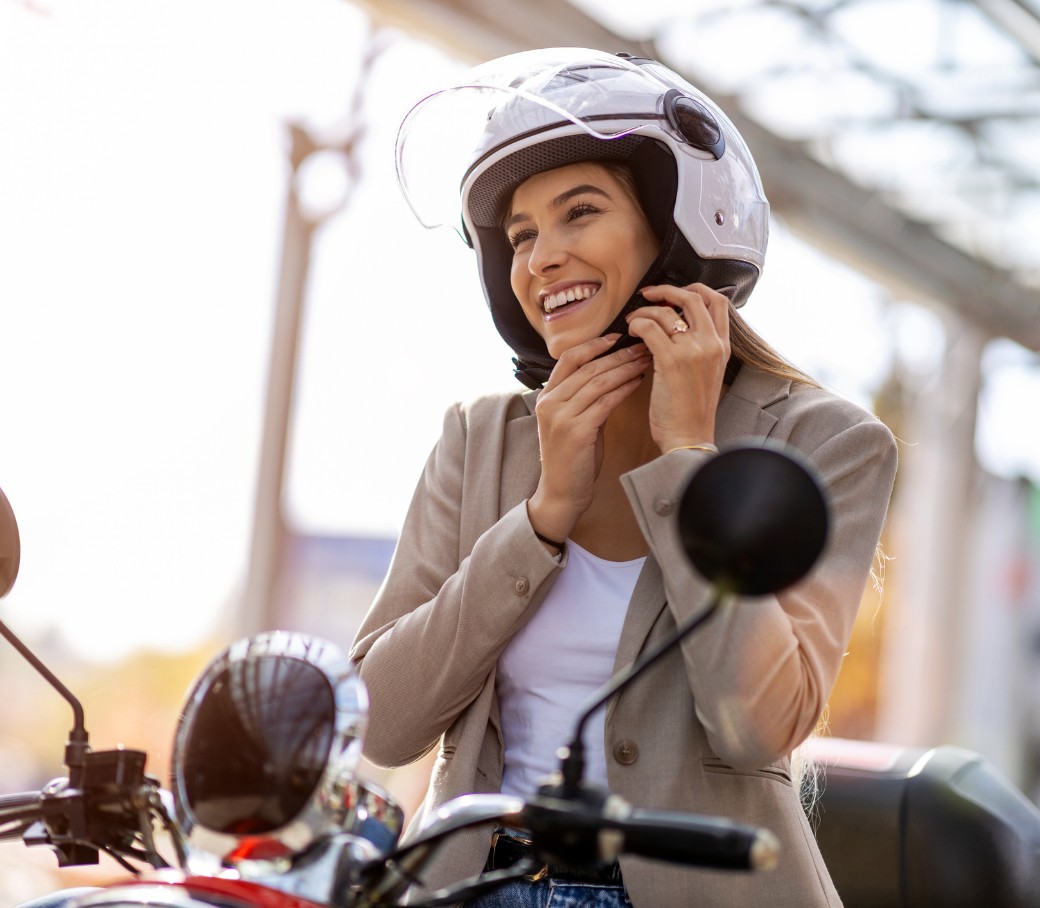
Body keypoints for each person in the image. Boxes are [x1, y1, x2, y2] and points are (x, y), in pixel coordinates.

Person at [350, 48, 898, 907]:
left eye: (580, 212)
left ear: (678, 225)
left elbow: (757, 726)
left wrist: (687, 460)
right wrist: (540, 516)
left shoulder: (826, 442)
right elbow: (383, 723)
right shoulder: (479, 438)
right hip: (474, 885)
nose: (540, 259)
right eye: (522, 234)